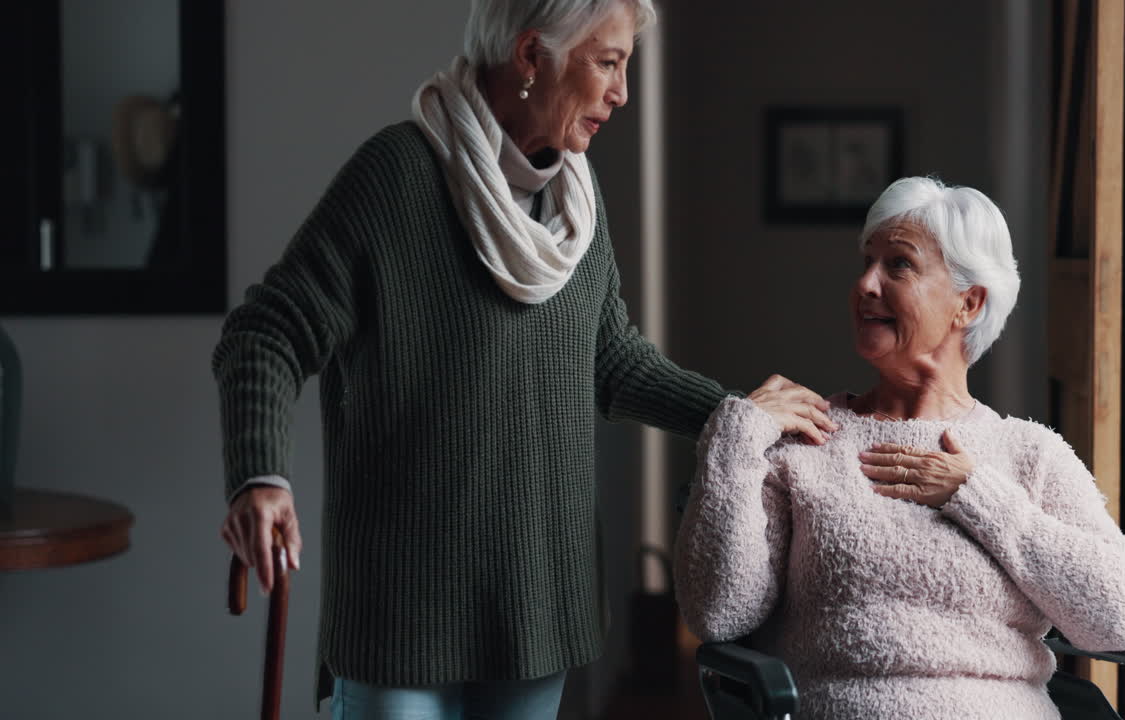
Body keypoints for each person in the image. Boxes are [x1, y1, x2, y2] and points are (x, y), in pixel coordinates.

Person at [213, 1, 833, 718]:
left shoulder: (576, 200)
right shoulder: (397, 176)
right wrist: (258, 477)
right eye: (608, 62)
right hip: (401, 616)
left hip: (540, 605)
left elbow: (613, 361)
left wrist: (737, 417)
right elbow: (265, 333)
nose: (622, 92)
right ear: (533, 57)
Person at [674, 177, 1125, 719]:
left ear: (967, 304)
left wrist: (975, 495)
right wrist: (735, 439)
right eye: (866, 262)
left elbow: (1118, 616)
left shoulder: (1030, 454)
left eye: (898, 265)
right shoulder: (806, 443)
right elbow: (719, 615)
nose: (865, 285)